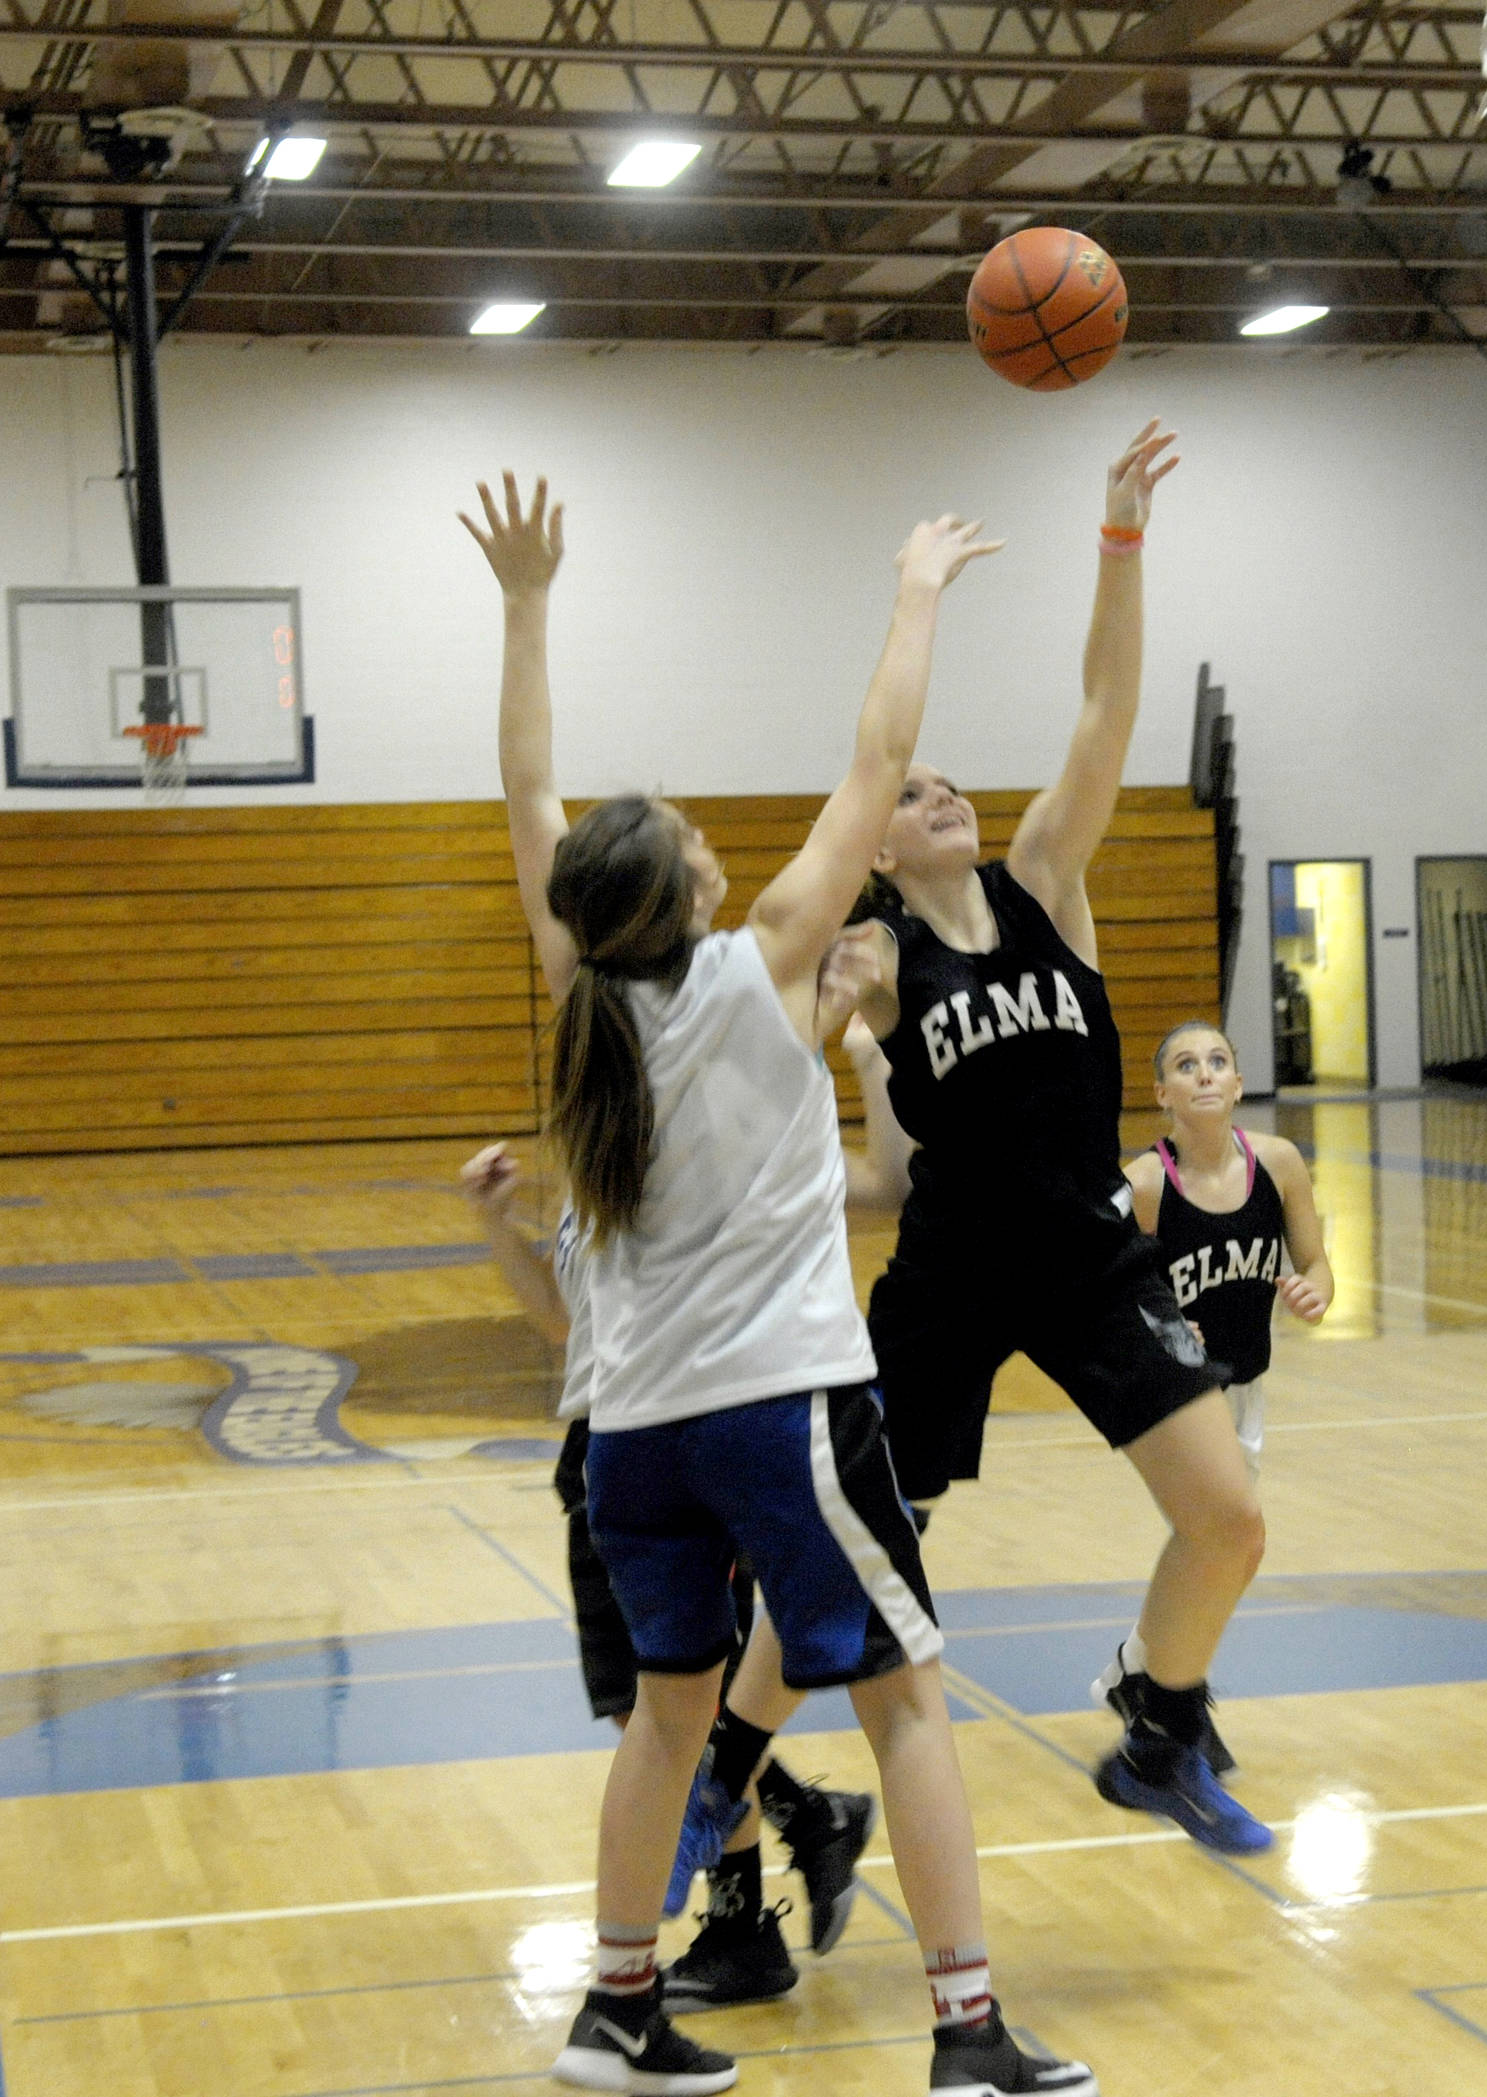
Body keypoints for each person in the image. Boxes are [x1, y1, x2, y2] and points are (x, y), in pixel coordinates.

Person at [462, 471, 1094, 2097]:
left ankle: (617, 2010)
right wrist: (917, 585)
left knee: (667, 1714)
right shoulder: (759, 974)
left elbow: (525, 785)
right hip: (776, 1410)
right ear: (682, 894)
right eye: (690, 841)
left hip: (626, 1438)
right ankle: (965, 2031)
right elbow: (877, 760)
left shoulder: (582, 998)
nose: (714, 845)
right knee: (908, 1700)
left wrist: (525, 606)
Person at [844, 422, 1277, 1858]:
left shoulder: (1042, 883)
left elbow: (1107, 707)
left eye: (947, 781)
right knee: (855, 1564)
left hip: (1092, 1255)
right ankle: (731, 1757)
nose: (938, 792)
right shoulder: (879, 954)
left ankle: (1159, 1723)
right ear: (881, 842)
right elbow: (874, 767)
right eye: (913, 795)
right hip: (955, 1271)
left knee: (1230, 1517)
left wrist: (1120, 538)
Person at [458, 1129, 885, 2010]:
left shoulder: (686, 1162)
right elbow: (567, 1330)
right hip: (600, 1443)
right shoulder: (598, 1180)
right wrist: (498, 1225)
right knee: (640, 1704)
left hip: (668, 1445)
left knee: (670, 1704)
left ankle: (746, 1923)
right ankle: (803, 1825)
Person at [1097, 1019, 1333, 1769]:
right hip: (1176, 1396)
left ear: (1237, 1084)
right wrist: (1159, 1317)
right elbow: (1098, 1295)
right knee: (1226, 1537)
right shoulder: (1145, 1183)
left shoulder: (1280, 1163)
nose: (1205, 1074)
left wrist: (1312, 1291)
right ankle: (1174, 1695)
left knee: (1234, 1549)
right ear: (1162, 1093)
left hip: (1248, 1384)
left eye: (1218, 1061)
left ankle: (1139, 1670)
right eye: (1186, 1065)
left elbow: (1318, 1261)